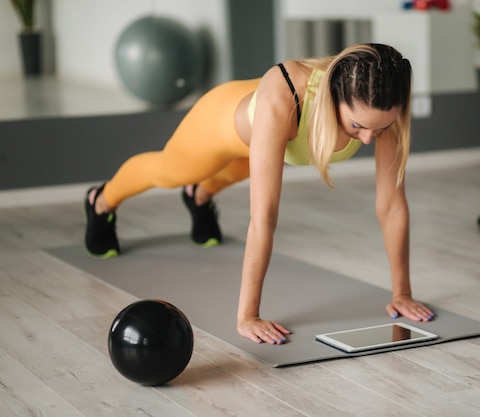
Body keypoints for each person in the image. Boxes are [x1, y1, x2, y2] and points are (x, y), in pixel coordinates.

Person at [84, 43, 434, 345]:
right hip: (220, 123)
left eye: (381, 128)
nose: (370, 138)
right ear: (334, 95)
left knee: (235, 171)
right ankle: (101, 201)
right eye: (357, 126)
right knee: (171, 171)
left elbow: (391, 206)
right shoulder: (285, 98)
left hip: (268, 141)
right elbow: (263, 217)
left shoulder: (381, 107)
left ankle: (200, 197)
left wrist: (402, 293)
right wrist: (248, 316)